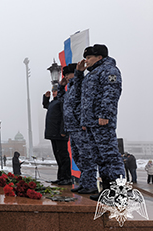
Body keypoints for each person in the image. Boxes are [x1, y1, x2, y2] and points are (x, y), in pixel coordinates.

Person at [77, 44, 125, 200]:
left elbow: (111, 93)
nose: (87, 61)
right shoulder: (92, 74)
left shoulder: (109, 70)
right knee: (99, 158)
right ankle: (107, 191)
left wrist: (105, 114)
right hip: (91, 122)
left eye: (89, 58)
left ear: (99, 57)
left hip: (102, 121)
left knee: (110, 156)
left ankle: (118, 193)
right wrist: (85, 120)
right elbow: (86, 100)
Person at [59, 63, 97, 194]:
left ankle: (91, 184)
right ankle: (84, 182)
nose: (67, 77)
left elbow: (85, 102)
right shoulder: (70, 87)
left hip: (80, 127)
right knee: (77, 157)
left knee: (86, 156)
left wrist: (79, 73)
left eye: (68, 74)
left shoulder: (81, 84)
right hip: (72, 127)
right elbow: (62, 101)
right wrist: (61, 86)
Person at [42, 85, 72, 185]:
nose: (54, 92)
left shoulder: (62, 101)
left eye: (56, 90)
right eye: (53, 91)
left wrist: (64, 130)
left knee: (63, 156)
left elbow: (65, 116)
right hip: (53, 133)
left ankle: (67, 178)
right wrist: (46, 98)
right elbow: (46, 106)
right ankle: (61, 177)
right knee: (58, 156)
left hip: (60, 133)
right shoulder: (53, 102)